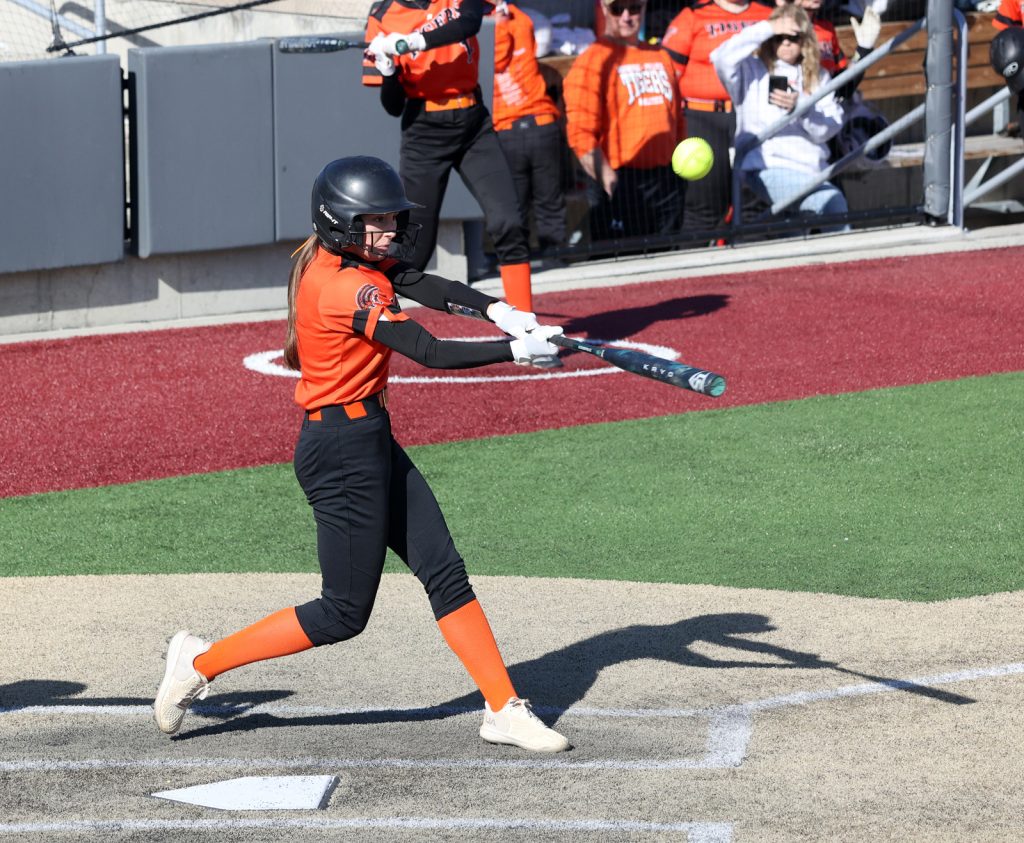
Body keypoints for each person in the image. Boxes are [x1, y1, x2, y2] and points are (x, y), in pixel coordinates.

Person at [154, 156, 570, 753]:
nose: (390, 232)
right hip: (340, 454)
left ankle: (503, 708)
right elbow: (427, 350)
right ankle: (200, 663)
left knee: (444, 571)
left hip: (368, 437)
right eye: (376, 222)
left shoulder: (347, 260)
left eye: (391, 220)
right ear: (340, 225)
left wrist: (496, 310)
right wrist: (514, 351)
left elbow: (421, 282)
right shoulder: (344, 285)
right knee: (343, 613)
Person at [361, 0, 539, 324]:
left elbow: (469, 20)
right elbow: (393, 106)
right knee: (412, 248)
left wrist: (413, 41)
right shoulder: (382, 16)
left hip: (473, 123)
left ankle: (527, 328)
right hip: (423, 130)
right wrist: (388, 70)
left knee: (509, 222)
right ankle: (377, 325)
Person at [711, 4, 850, 231]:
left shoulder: (819, 77)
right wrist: (767, 27)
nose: (785, 43)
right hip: (766, 167)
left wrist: (802, 108)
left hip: (811, 169)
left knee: (794, 233)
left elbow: (828, 130)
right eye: (778, 37)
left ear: (805, 40)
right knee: (831, 202)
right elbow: (720, 58)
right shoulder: (751, 70)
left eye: (792, 37)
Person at [562, 0, 686, 242]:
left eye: (635, 8)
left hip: (666, 181)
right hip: (620, 181)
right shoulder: (592, 61)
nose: (626, 17)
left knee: (668, 257)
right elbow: (580, 134)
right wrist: (609, 179)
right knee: (625, 257)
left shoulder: (660, 56)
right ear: (604, 10)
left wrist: (679, 170)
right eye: (618, 9)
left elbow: (677, 118)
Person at [661, 0, 773, 232]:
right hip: (703, 118)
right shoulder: (693, 15)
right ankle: (696, 255)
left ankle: (754, 254)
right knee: (704, 206)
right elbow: (667, 76)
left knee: (755, 204)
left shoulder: (767, 13)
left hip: (753, 118)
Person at [491, 2, 568, 260]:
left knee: (517, 205)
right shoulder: (521, 18)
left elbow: (497, 57)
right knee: (547, 202)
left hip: (510, 128)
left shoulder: (481, 25)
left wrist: (497, 25)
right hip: (539, 124)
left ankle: (521, 260)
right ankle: (552, 256)